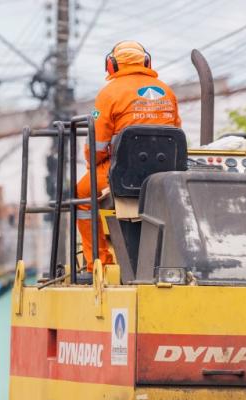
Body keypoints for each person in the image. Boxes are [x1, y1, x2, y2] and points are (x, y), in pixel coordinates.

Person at [75, 40, 181, 266]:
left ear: (112, 66)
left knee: (82, 196)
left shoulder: (108, 94)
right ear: (146, 61)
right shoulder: (167, 92)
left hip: (122, 173)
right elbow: (176, 134)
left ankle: (99, 262)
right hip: (166, 174)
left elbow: (97, 146)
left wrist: (92, 166)